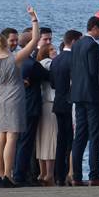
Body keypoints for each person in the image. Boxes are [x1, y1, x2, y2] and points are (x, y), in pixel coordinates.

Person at [0, 6, 41, 187]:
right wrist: (34, 19)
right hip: (14, 99)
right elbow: (34, 39)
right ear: (6, 43)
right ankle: (8, 175)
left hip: (0, 99)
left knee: (0, 136)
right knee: (12, 137)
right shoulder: (15, 58)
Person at [70, 15, 99, 187]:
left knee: (80, 136)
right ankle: (94, 174)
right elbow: (95, 72)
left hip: (78, 95)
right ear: (94, 27)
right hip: (93, 96)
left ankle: (76, 175)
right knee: (96, 135)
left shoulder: (76, 44)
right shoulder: (93, 46)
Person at [13, 27, 51, 185]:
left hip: (17, 106)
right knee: (26, 143)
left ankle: (15, 172)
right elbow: (49, 76)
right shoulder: (31, 64)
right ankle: (20, 175)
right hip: (30, 106)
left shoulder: (16, 61)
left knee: (18, 141)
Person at [49, 29, 80, 186]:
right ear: (74, 42)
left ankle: (58, 175)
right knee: (71, 140)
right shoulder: (74, 59)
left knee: (60, 140)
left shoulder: (56, 60)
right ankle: (69, 172)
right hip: (70, 104)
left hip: (58, 103)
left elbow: (53, 83)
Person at [34, 43, 57, 186]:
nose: (55, 51)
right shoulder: (49, 64)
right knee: (50, 139)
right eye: (52, 49)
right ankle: (49, 174)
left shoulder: (39, 64)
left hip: (43, 102)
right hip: (51, 101)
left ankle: (42, 172)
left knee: (41, 139)